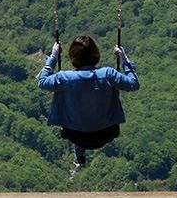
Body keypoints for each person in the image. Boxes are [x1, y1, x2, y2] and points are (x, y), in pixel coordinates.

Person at [37, 35, 138, 168]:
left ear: (73, 57)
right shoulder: (108, 74)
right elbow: (133, 84)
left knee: (71, 102)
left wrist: (54, 56)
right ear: (95, 54)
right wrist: (123, 59)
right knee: (87, 107)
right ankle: (80, 157)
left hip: (74, 134)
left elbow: (42, 82)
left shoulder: (64, 78)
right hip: (107, 133)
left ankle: (80, 157)